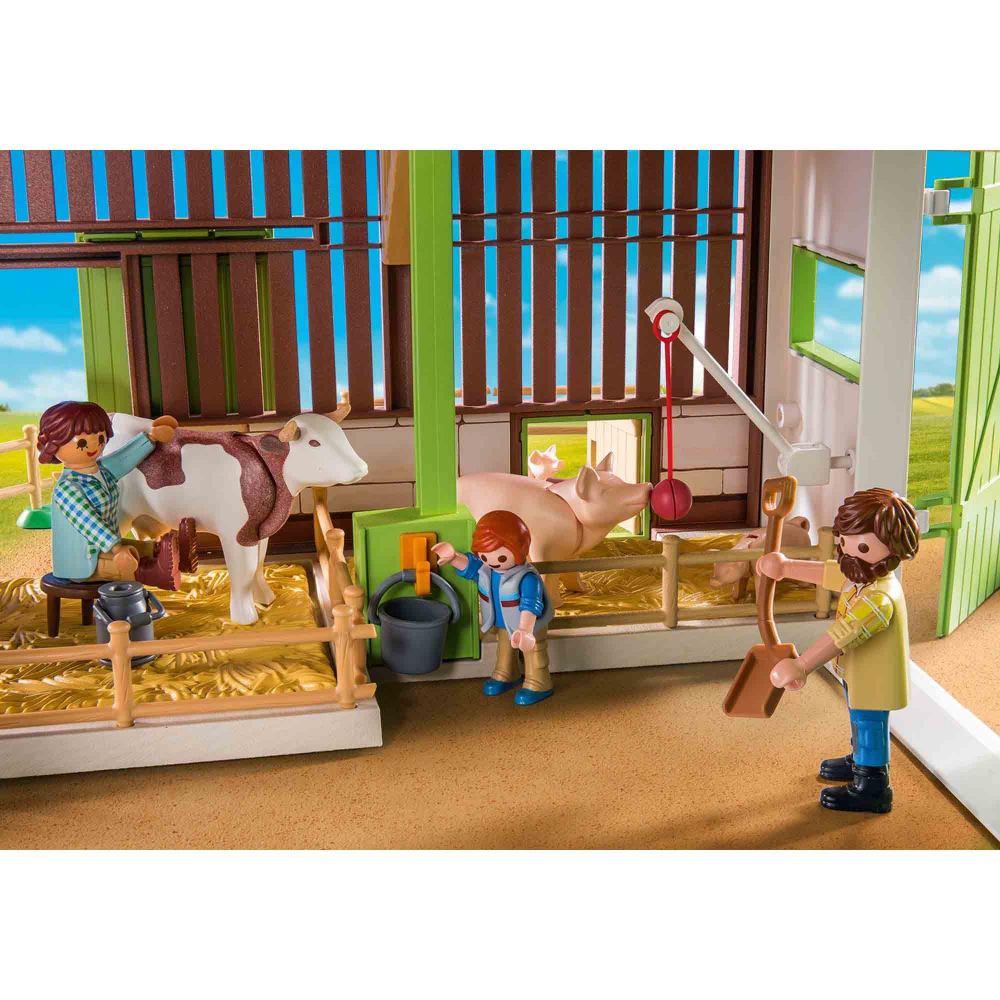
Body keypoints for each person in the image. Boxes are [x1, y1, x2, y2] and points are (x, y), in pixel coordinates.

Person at [756, 487, 920, 813]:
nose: (848, 553)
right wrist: (786, 567)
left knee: (869, 725)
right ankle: (860, 761)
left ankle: (872, 786)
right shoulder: (862, 577)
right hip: (858, 675)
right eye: (844, 542)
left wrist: (803, 664)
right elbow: (829, 572)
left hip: (875, 681)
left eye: (861, 546)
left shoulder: (879, 599)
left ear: (895, 547)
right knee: (859, 722)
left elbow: (842, 635)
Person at [38, 401, 195, 591]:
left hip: (103, 547)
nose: (94, 446)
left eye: (100, 438)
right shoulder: (67, 489)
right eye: (82, 443)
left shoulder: (100, 471)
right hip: (80, 562)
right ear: (54, 445)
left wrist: (151, 438)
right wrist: (115, 547)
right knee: (127, 562)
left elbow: (123, 459)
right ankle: (154, 573)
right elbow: (89, 523)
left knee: (143, 549)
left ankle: (177, 556)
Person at [433, 510, 555, 705]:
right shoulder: (487, 570)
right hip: (503, 623)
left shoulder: (527, 578)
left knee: (534, 653)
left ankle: (539, 682)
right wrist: (454, 557)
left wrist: (525, 629)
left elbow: (531, 604)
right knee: (505, 648)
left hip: (530, 626)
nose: (492, 563)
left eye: (500, 558)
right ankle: (507, 672)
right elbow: (471, 568)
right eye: (485, 557)